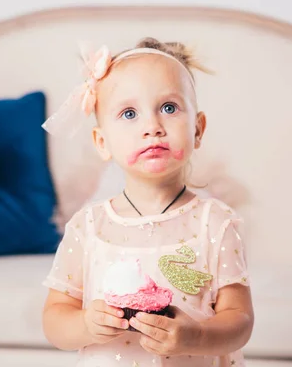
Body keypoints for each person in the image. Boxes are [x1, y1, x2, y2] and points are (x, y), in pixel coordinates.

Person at [41, 37, 254, 366]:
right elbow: (54, 320)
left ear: (198, 130)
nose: (152, 127)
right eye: (129, 113)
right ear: (102, 142)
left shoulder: (215, 223)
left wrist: (196, 336)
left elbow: (239, 320)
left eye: (169, 108)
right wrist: (85, 324)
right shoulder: (88, 227)